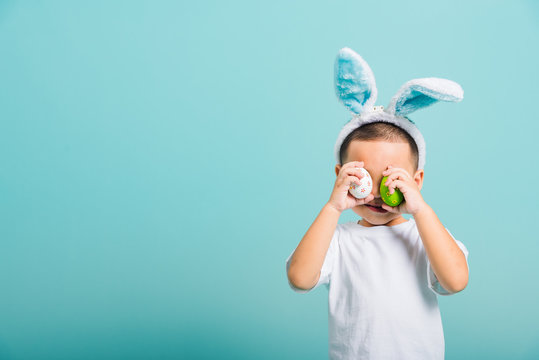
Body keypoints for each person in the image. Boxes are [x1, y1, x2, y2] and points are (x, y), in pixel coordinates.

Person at [285, 47, 470, 359]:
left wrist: (421, 210)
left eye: (391, 179)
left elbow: (455, 281)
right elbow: (299, 279)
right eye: (362, 178)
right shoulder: (338, 241)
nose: (377, 194)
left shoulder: (423, 236)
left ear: (416, 181)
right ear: (340, 176)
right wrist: (332, 208)